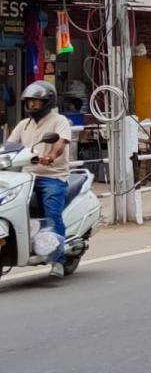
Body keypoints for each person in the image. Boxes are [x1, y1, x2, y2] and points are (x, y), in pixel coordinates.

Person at [7, 81, 72, 277]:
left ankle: (58, 260)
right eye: (29, 102)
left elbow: (60, 142)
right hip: (25, 177)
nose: (32, 106)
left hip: (51, 177)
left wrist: (51, 156)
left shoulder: (58, 121)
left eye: (36, 102)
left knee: (52, 213)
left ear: (47, 102)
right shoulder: (23, 124)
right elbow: (9, 146)